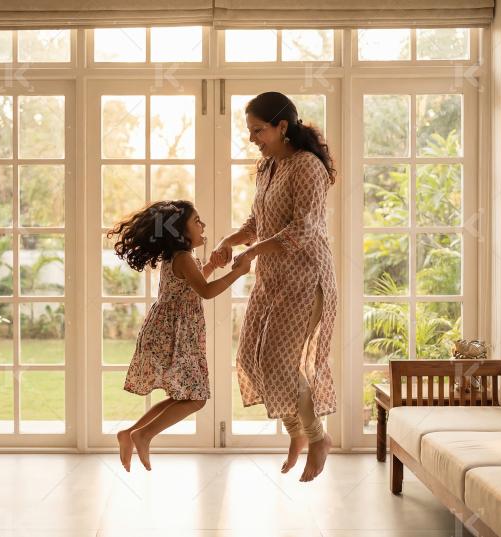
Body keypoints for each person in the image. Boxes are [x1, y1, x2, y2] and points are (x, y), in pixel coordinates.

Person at [213, 91, 338, 482]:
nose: (252, 138)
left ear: (282, 126)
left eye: (258, 130)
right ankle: (297, 432)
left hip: (306, 279)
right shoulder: (268, 167)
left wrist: (251, 253)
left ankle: (317, 438)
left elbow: (303, 229)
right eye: (250, 131)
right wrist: (230, 241)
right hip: (271, 279)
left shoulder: (307, 167)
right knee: (251, 358)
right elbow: (257, 223)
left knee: (280, 363)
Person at [109, 200, 251, 471]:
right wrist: (238, 273)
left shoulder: (180, 257)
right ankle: (143, 435)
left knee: (184, 397)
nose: (203, 225)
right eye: (197, 221)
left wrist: (211, 265)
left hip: (172, 333)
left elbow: (192, 284)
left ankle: (130, 434)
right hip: (174, 335)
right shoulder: (183, 258)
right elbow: (205, 291)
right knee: (196, 398)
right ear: (179, 230)